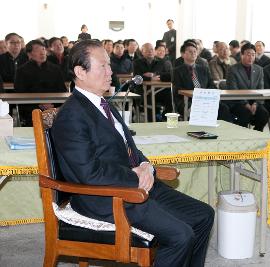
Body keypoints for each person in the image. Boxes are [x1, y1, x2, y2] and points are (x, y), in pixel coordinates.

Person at [51, 39, 214, 267]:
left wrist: (147, 166)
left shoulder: (103, 104)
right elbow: (88, 172)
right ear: (80, 71)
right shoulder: (72, 115)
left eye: (110, 65)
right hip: (108, 198)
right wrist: (135, 175)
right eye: (103, 66)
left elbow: (131, 151)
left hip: (134, 185)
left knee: (203, 214)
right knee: (181, 236)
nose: (111, 72)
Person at [173, 41, 232, 122]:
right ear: (183, 54)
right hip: (188, 101)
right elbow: (178, 91)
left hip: (206, 99)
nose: (193, 53)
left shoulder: (203, 68)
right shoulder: (177, 71)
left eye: (195, 51)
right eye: (190, 51)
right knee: (198, 109)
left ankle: (224, 132)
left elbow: (211, 85)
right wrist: (196, 97)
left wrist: (207, 96)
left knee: (223, 108)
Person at [14, 39, 67, 126]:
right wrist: (40, 103)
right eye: (37, 50)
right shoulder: (21, 71)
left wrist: (52, 104)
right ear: (29, 54)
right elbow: (20, 92)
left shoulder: (55, 69)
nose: (42, 52)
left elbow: (62, 90)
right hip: (31, 107)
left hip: (53, 106)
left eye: (43, 49)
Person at [225, 42, 269, 131]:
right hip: (237, 102)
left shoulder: (259, 69)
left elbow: (261, 89)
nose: (251, 57)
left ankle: (256, 134)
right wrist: (246, 104)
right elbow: (233, 90)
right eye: (248, 55)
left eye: (253, 55)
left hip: (254, 102)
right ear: (242, 55)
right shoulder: (233, 69)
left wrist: (256, 103)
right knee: (245, 114)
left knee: (264, 114)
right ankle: (243, 137)